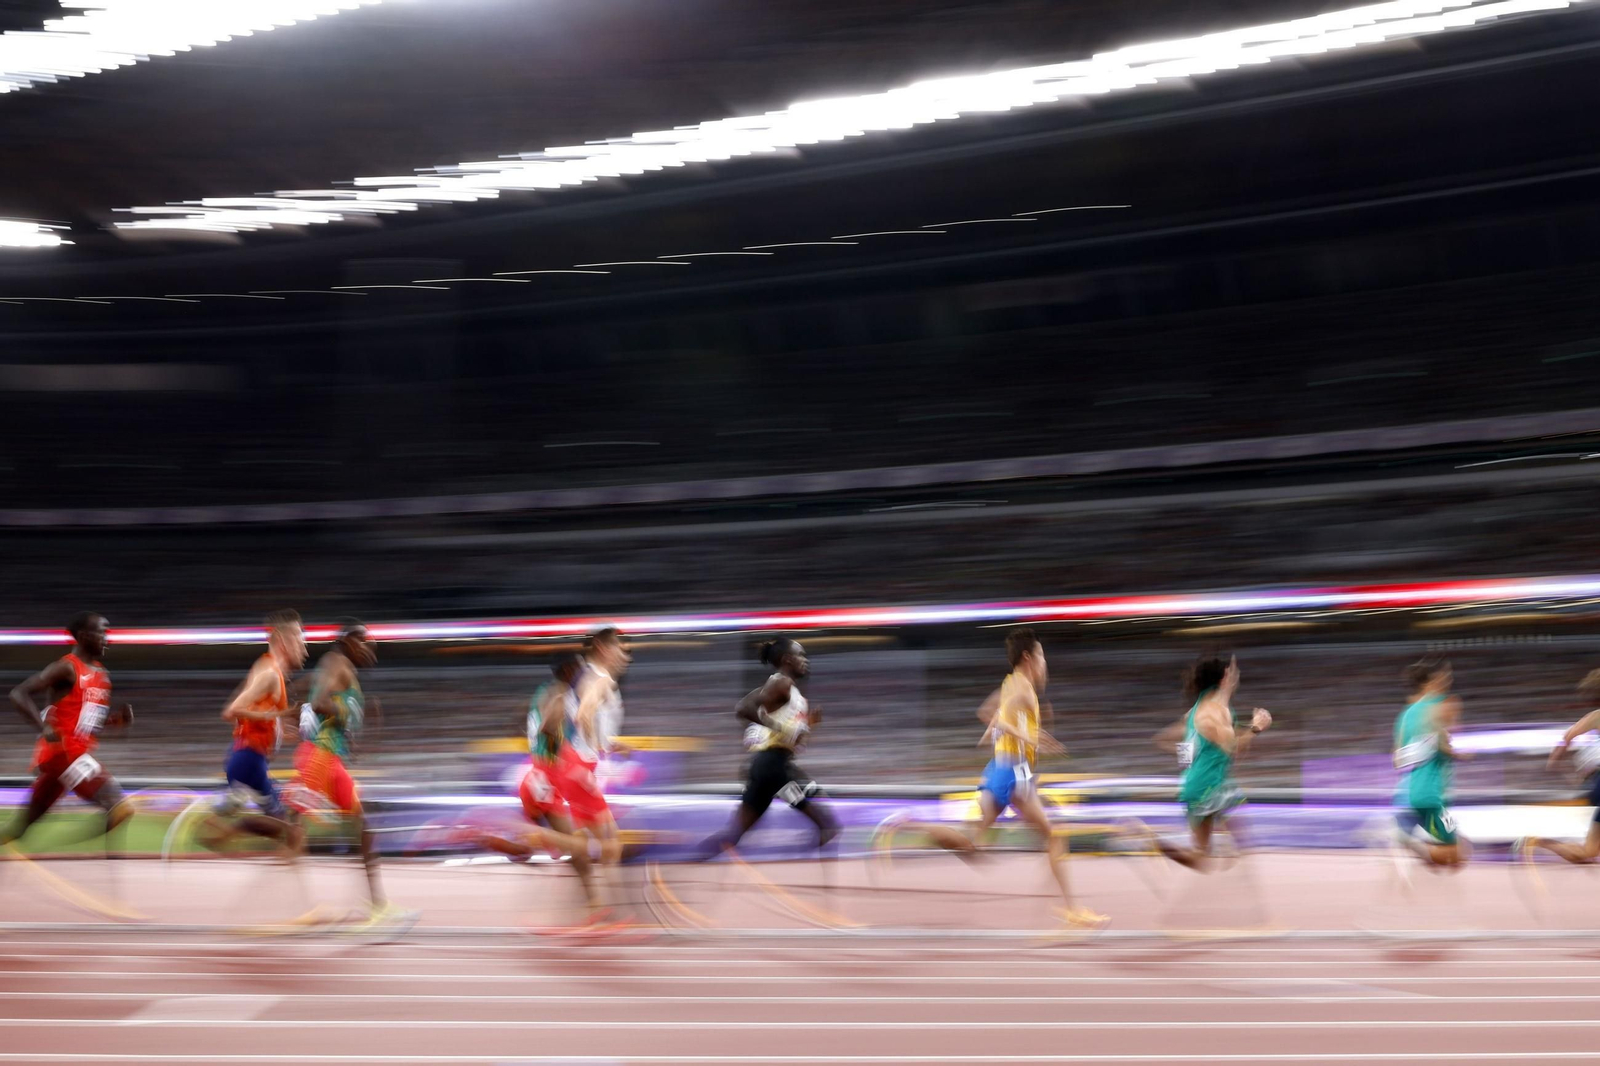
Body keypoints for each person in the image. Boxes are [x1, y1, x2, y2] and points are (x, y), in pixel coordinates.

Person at [292, 618, 415, 932]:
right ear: (347, 641)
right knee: (291, 830)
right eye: (364, 642)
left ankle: (376, 906)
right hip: (321, 758)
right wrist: (344, 714)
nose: (369, 649)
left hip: (328, 758)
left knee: (360, 829)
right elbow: (318, 703)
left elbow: (307, 698)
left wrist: (345, 730)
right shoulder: (339, 663)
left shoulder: (337, 665)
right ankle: (294, 904)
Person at [458, 654, 600, 915]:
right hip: (545, 780)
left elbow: (524, 720)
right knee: (578, 846)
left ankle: (488, 837)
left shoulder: (543, 691)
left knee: (528, 849)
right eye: (579, 669)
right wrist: (561, 755)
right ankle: (595, 910)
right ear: (568, 671)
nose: (582, 674)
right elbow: (547, 725)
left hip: (535, 777)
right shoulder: (559, 695)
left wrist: (537, 743)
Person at [2, 613, 136, 850]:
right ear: (84, 636)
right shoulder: (66, 668)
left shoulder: (102, 675)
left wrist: (116, 721)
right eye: (102, 632)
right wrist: (43, 727)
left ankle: (98, 863)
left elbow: (86, 724)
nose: (108, 638)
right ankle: (101, 864)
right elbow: (18, 694)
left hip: (65, 760)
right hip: (64, 754)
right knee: (120, 808)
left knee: (19, 829)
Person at [698, 638, 838, 857]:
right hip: (773, 766)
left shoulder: (794, 696)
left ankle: (687, 861)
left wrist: (807, 726)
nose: (806, 661)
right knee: (827, 825)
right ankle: (818, 879)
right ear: (787, 659)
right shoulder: (781, 683)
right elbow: (744, 708)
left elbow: (793, 741)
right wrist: (777, 727)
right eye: (801, 655)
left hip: (769, 768)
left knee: (732, 835)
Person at [1140, 654, 1272, 871]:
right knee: (1239, 842)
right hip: (1209, 787)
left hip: (1197, 784)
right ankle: (1232, 856)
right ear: (1225, 678)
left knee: (1201, 860)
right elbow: (1234, 748)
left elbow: (1168, 739)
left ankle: (1154, 843)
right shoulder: (1212, 713)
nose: (1237, 674)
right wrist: (1256, 727)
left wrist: (1190, 764)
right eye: (1233, 671)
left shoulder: (1199, 711)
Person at [194, 609, 307, 858]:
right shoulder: (269, 673)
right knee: (289, 829)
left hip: (247, 758)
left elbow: (251, 711)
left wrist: (279, 730)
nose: (305, 649)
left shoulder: (267, 668)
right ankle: (220, 828)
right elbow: (231, 711)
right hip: (249, 759)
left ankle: (220, 824)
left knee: (284, 822)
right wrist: (274, 717)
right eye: (300, 640)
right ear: (284, 640)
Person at [553, 627, 631, 867]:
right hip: (578, 765)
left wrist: (610, 744)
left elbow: (585, 717)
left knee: (586, 843)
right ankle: (607, 900)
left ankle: (592, 899)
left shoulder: (587, 675)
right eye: (620, 648)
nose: (626, 657)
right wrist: (597, 745)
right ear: (602, 648)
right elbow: (583, 714)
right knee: (611, 842)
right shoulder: (600, 679)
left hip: (571, 764)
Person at [1391, 657, 1469, 868]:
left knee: (1454, 853)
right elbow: (1441, 743)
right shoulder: (1441, 705)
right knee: (1459, 853)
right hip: (1431, 797)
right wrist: (1454, 752)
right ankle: (1412, 844)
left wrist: (1428, 747)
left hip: (1406, 796)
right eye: (1446, 674)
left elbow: (1397, 760)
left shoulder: (1405, 715)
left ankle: (1413, 844)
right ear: (1433, 679)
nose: (1449, 678)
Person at [1519, 668, 1600, 866]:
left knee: (1588, 852)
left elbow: (1567, 737)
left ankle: (1538, 841)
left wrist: (1556, 759)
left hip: (1597, 785)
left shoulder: (1595, 716)